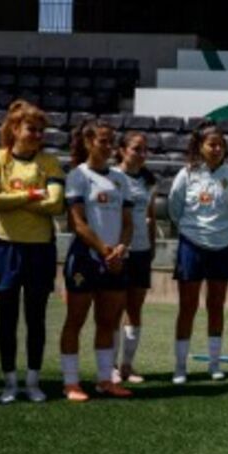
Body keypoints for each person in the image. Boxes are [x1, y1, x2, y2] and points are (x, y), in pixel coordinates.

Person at [0, 99, 65, 404]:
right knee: (7, 318)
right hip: (5, 247)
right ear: (14, 129)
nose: (38, 135)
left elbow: (55, 204)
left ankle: (32, 382)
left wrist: (11, 198)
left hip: (40, 248)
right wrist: (31, 195)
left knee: (36, 318)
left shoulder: (49, 162)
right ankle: (10, 383)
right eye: (32, 129)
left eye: (42, 130)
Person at [59, 118, 134, 401]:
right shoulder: (77, 176)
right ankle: (70, 383)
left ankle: (105, 380)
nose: (109, 146)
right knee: (75, 320)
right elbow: (77, 223)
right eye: (103, 140)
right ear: (88, 142)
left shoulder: (120, 178)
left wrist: (121, 249)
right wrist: (105, 251)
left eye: (111, 140)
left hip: (114, 260)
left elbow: (128, 223)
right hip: (85, 258)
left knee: (108, 321)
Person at [168, 122, 228, 384]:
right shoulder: (187, 175)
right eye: (211, 144)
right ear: (200, 146)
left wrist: (223, 232)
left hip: (223, 247)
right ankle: (180, 367)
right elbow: (175, 208)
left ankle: (214, 364)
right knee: (187, 306)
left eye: (220, 145)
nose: (216, 149)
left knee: (216, 306)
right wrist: (192, 230)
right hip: (191, 245)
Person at [112, 131, 156, 384]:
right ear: (122, 151)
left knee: (134, 309)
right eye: (136, 149)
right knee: (114, 309)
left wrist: (151, 247)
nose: (141, 154)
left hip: (140, 251)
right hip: (118, 250)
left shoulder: (148, 181)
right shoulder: (112, 177)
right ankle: (110, 366)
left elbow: (150, 217)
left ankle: (127, 365)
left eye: (144, 149)